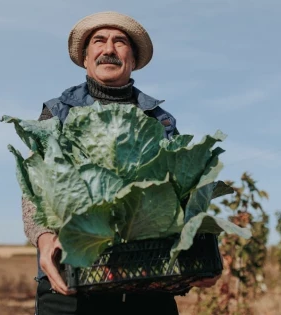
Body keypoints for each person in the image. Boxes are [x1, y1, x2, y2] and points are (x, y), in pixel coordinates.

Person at [22, 11, 220, 315]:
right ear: (86, 58)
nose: (109, 49)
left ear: (133, 58)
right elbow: (35, 187)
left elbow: (186, 193)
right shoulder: (57, 115)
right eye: (99, 41)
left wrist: (199, 247)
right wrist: (45, 239)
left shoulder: (160, 121)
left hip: (149, 280)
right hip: (73, 280)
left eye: (120, 42)